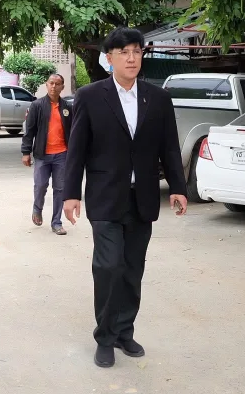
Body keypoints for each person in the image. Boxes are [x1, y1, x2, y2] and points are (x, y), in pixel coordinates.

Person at [62, 27, 188, 368]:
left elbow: (169, 147)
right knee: (108, 266)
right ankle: (104, 337)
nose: (131, 58)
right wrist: (70, 193)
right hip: (105, 197)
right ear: (110, 58)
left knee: (133, 270)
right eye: (124, 52)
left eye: (136, 51)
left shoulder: (158, 98)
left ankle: (123, 331)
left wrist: (178, 187)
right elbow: (77, 149)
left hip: (142, 197)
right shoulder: (90, 96)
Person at [22, 74, 72, 235]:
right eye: (51, 83)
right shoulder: (37, 105)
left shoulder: (67, 107)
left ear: (62, 87)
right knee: (40, 185)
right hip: (42, 154)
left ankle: (56, 222)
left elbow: (73, 131)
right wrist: (26, 152)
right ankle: (37, 209)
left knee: (60, 189)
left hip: (62, 154)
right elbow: (29, 130)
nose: (54, 87)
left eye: (57, 84)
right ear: (46, 84)